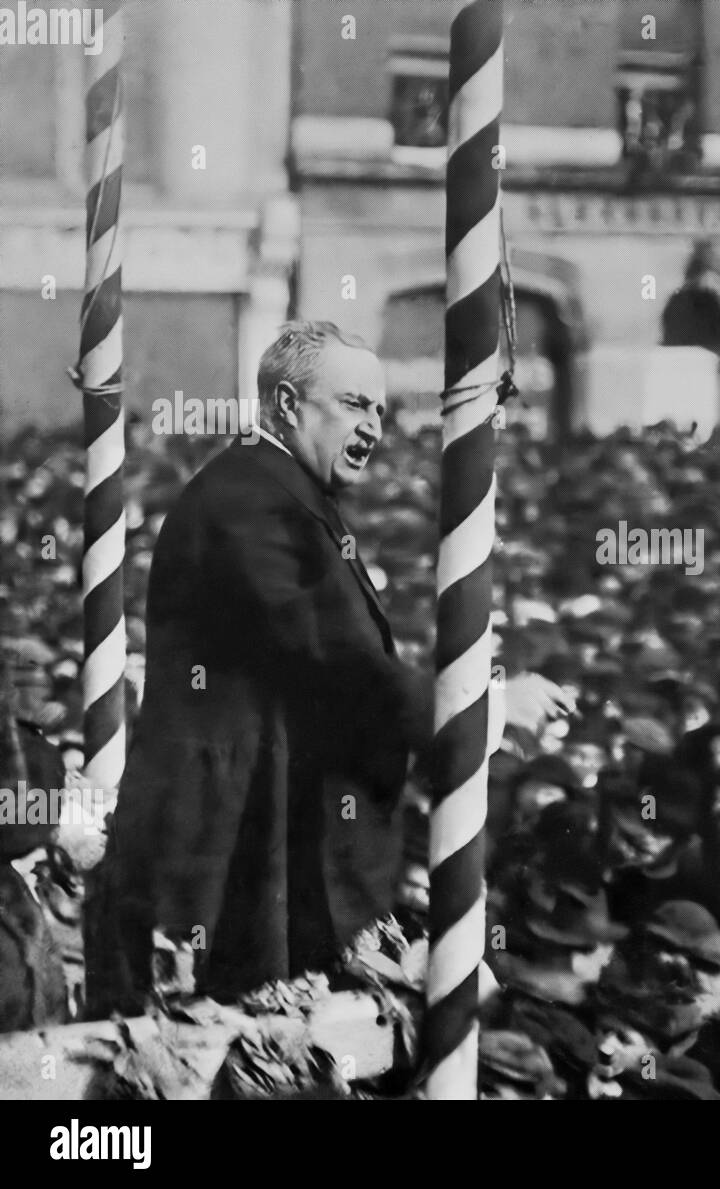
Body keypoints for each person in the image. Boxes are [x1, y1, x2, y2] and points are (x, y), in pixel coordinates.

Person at [85, 322, 572, 1015]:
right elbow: (335, 658)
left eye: (379, 407)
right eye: (353, 404)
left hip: (260, 853)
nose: (375, 424)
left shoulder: (284, 495)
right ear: (287, 405)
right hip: (215, 864)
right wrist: (477, 713)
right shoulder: (250, 499)